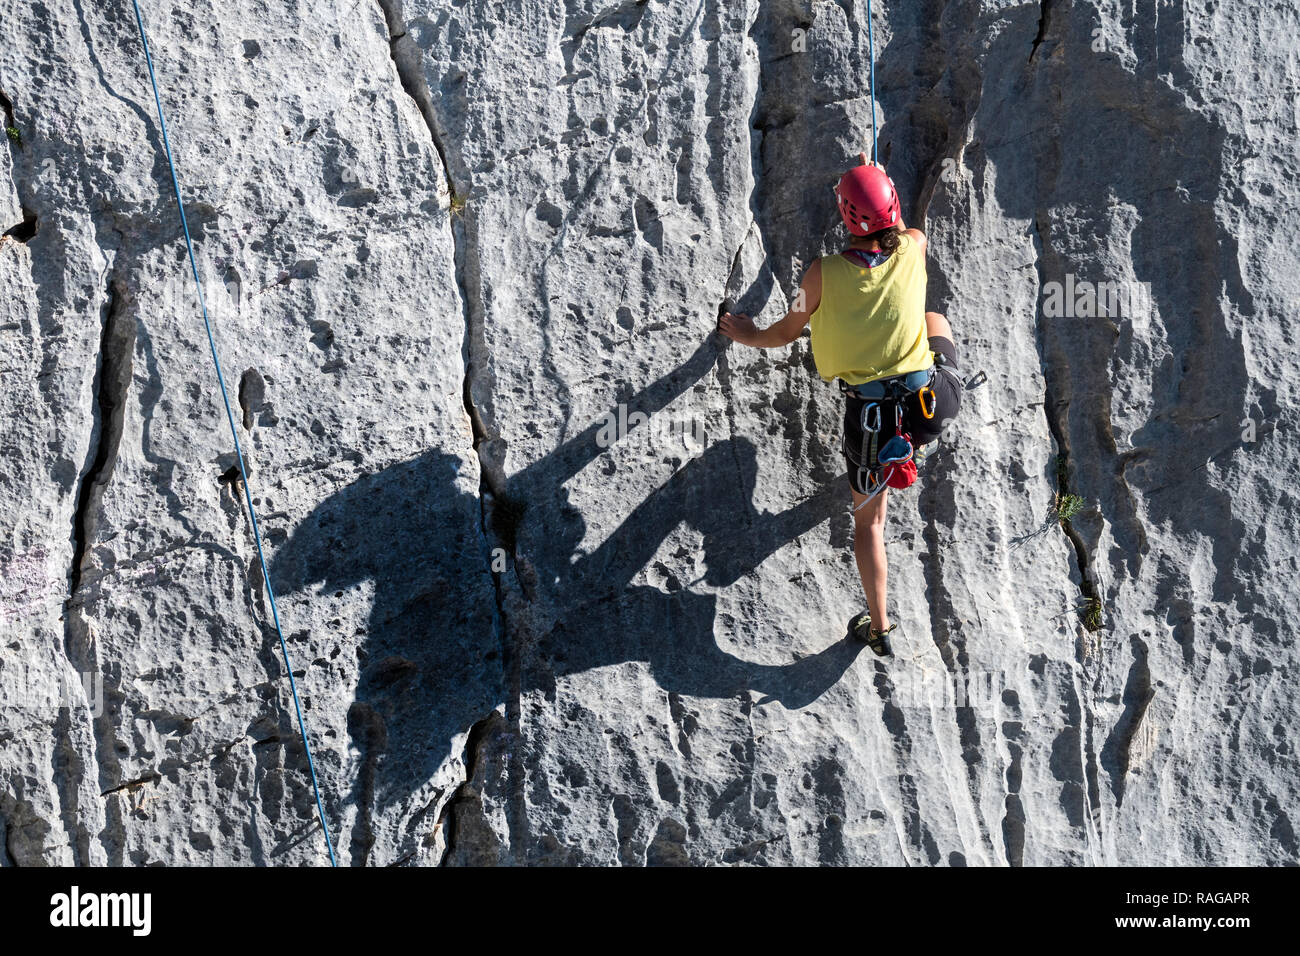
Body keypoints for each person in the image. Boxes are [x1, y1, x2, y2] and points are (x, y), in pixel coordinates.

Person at [717, 152, 962, 657]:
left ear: (845, 217)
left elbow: (786, 332)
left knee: (870, 521)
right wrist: (877, 183)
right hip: (930, 406)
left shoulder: (822, 274)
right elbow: (908, 231)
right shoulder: (913, 247)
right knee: (936, 320)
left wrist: (747, 333)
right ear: (892, 210)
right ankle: (911, 447)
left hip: (872, 424)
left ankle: (879, 628)